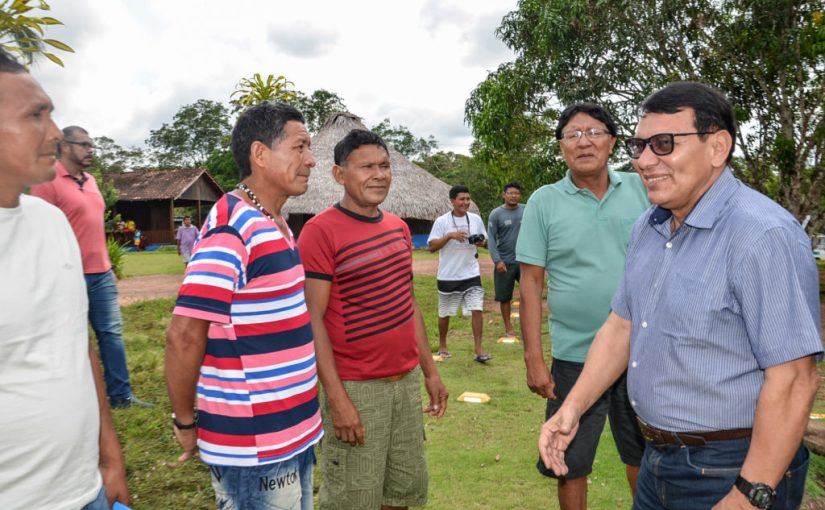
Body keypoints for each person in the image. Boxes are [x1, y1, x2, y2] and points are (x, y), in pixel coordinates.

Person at [538, 82, 822, 510]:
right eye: (639, 146)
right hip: (657, 459)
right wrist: (573, 407)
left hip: (732, 468)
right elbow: (623, 325)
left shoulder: (762, 236)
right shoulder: (649, 227)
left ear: (717, 147)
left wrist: (750, 493)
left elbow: (794, 379)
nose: (645, 161)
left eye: (664, 144)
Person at [165, 101, 324, 509]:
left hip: (292, 432)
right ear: (260, 154)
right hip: (254, 446)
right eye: (300, 147)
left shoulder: (275, 222)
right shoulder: (232, 226)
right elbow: (184, 334)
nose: (311, 159)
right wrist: (185, 421)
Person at [0, 48, 129, 509]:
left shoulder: (49, 223)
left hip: (86, 489)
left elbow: (80, 347)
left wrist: (111, 460)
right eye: (36, 115)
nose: (54, 133)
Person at [299, 128, 449, 510]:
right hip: (356, 388)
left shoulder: (398, 228)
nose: (379, 175)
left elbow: (408, 303)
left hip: (405, 384)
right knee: (354, 497)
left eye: (384, 166)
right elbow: (312, 318)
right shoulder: (319, 232)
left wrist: (430, 372)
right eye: (366, 167)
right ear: (339, 175)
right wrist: (337, 399)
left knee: (401, 492)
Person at [517, 102, 649, 509]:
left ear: (612, 142)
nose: (583, 141)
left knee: (644, 454)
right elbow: (531, 282)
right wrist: (534, 359)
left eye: (593, 132)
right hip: (575, 355)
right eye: (572, 135)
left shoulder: (644, 186)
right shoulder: (544, 201)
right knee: (568, 459)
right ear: (561, 148)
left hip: (641, 352)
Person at [30, 125, 151, 409]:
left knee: (111, 334)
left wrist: (107, 267)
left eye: (91, 145)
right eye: (84, 145)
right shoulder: (46, 181)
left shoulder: (92, 181)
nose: (90, 150)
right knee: (69, 339)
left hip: (101, 274)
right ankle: (72, 400)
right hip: (67, 276)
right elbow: (38, 230)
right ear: (64, 145)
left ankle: (121, 397)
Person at [427, 185, 491, 362]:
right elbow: (431, 247)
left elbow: (485, 241)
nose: (466, 202)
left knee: (477, 309)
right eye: (462, 199)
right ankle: (442, 346)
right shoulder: (442, 221)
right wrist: (449, 236)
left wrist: (480, 242)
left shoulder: (475, 219)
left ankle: (479, 350)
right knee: (445, 313)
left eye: (468, 199)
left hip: (471, 272)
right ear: (452, 201)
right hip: (448, 275)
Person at [487, 180, 525, 338]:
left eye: (516, 193)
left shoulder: (527, 210)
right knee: (504, 297)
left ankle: (527, 326)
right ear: (504, 194)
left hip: (525, 261)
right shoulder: (496, 214)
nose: (513, 196)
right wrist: (497, 261)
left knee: (528, 295)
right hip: (505, 262)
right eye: (510, 193)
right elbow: (490, 239)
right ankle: (508, 327)